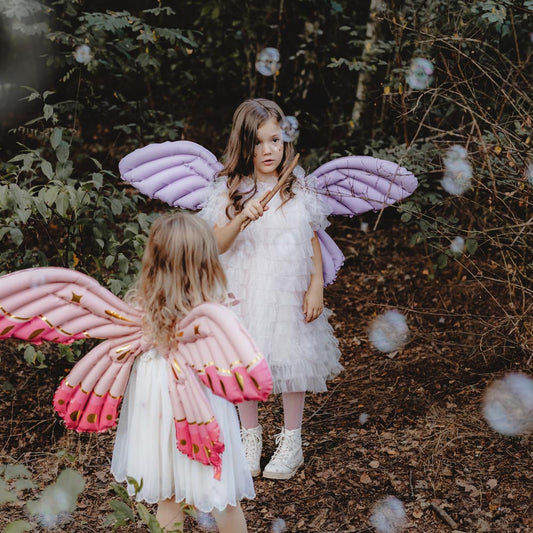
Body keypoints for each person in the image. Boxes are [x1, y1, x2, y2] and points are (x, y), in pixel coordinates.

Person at [199, 98, 342, 480]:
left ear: (285, 141)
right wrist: (242, 216)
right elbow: (217, 244)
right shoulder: (231, 190)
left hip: (286, 289)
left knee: (291, 357)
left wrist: (315, 284)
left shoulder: (298, 188)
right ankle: (250, 439)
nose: (268, 150)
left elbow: (310, 238)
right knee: (244, 363)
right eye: (259, 142)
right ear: (244, 145)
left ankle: (291, 442)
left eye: (275, 140)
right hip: (243, 290)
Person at [110, 213, 255, 532]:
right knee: (222, 496)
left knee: (169, 495)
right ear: (203, 263)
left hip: (157, 404)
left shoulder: (144, 307)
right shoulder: (211, 310)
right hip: (197, 406)